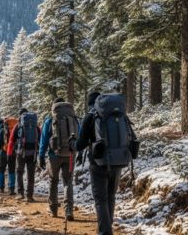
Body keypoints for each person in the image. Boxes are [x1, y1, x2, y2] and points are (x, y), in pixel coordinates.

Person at [76, 92, 137, 235]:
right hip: (118, 161)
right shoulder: (119, 115)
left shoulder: (91, 116)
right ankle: (106, 228)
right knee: (110, 196)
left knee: (100, 199)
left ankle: (105, 232)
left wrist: (73, 143)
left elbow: (80, 145)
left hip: (98, 163)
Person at [39, 97, 80, 220]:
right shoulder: (73, 119)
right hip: (70, 154)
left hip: (54, 155)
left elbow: (44, 139)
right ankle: (68, 211)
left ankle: (53, 210)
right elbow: (80, 134)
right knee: (68, 182)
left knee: (53, 181)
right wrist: (79, 152)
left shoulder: (50, 119)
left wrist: (41, 155)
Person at [7, 108, 40, 202]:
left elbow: (12, 139)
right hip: (32, 153)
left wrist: (10, 153)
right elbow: (40, 138)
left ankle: (20, 193)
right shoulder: (35, 126)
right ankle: (30, 195)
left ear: (20, 116)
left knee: (19, 172)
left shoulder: (18, 125)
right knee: (31, 174)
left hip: (21, 153)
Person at [0, 116, 18, 194]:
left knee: (1, 170)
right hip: (12, 152)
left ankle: (1, 187)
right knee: (12, 170)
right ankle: (11, 188)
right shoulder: (15, 129)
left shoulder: (2, 131)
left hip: (3, 152)